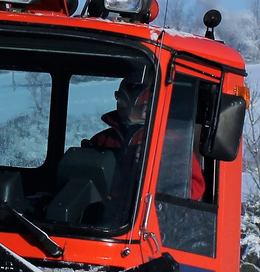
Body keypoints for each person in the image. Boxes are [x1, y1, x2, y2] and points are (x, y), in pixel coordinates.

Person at [85, 75, 206, 203]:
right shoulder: (102, 140)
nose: (120, 103)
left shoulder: (171, 141)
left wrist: (156, 169)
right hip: (106, 215)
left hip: (148, 213)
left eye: (124, 99)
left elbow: (194, 191)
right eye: (119, 97)